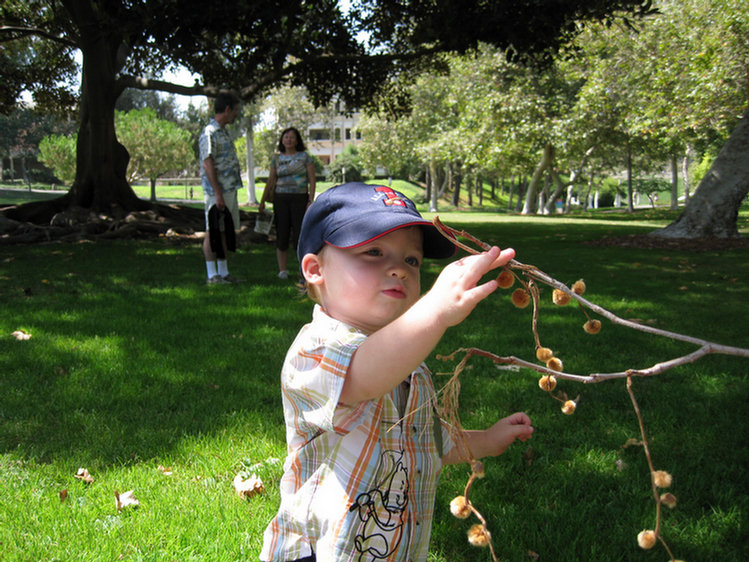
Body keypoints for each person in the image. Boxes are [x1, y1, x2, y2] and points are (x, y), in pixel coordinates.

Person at [260, 182, 534, 562]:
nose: (399, 271)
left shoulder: (409, 362)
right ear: (315, 269)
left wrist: (484, 440)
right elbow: (362, 378)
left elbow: (424, 439)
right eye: (373, 252)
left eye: (412, 261)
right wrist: (436, 310)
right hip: (321, 551)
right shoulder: (315, 350)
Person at [258, 127, 316, 280]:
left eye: (292, 137)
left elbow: (312, 179)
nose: (288, 140)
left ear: (297, 140)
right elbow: (271, 180)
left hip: (300, 199)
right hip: (280, 199)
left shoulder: (305, 157)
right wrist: (263, 201)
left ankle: (302, 271)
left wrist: (310, 199)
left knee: (299, 234)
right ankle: (282, 270)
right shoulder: (276, 159)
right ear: (282, 140)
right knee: (282, 233)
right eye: (286, 137)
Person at [199, 92, 243, 284]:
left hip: (229, 189)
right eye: (235, 110)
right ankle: (212, 275)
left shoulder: (223, 131)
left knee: (225, 231)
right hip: (216, 192)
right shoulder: (209, 133)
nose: (236, 114)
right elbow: (207, 163)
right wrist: (217, 193)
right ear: (227, 109)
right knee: (212, 231)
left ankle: (224, 273)